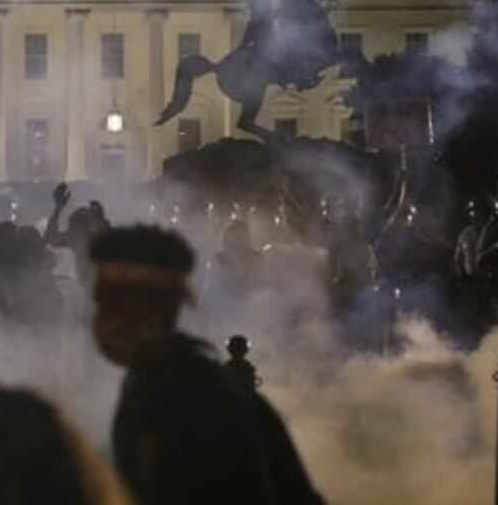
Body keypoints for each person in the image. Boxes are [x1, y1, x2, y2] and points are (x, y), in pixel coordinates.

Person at [89, 225, 322, 505]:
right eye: (101, 302)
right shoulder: (147, 380)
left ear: (157, 311)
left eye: (116, 304)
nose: (104, 319)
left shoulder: (201, 396)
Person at [46, 183, 106, 289]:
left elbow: (51, 237)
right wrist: (58, 208)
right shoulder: (76, 236)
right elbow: (51, 238)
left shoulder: (91, 236)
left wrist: (58, 208)